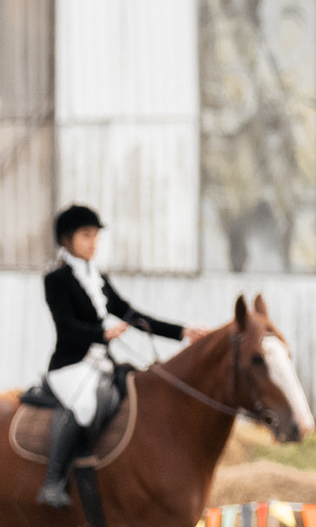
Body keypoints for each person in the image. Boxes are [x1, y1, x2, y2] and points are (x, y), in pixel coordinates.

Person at [38, 205, 200, 507]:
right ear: (67, 239)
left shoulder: (97, 278)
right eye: (86, 236)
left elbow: (131, 313)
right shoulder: (56, 280)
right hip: (70, 367)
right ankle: (52, 483)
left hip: (101, 365)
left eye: (96, 236)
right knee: (85, 407)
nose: (93, 243)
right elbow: (66, 328)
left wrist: (182, 332)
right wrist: (103, 334)